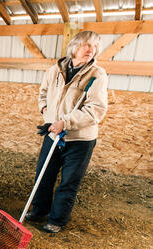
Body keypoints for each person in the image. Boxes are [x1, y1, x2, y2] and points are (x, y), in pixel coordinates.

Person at [25, 31, 108, 233]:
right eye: (87, 45)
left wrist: (66, 122)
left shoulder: (96, 75)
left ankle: (57, 220)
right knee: (44, 175)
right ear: (74, 46)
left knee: (69, 181)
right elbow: (43, 95)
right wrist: (46, 113)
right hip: (53, 133)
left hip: (80, 139)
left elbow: (96, 109)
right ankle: (39, 211)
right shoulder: (54, 71)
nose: (92, 50)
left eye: (95, 47)